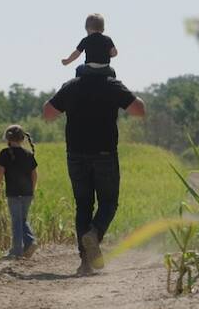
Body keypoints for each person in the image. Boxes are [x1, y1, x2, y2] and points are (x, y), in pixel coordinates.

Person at [43, 71, 146, 276]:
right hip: (104, 154)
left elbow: (48, 113)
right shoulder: (111, 85)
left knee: (83, 205)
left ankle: (85, 264)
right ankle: (95, 232)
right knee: (108, 202)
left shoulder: (71, 86)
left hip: (75, 154)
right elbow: (139, 110)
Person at [0, 125, 38, 260]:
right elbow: (34, 174)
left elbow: (0, 171)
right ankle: (28, 244)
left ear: (7, 138)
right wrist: (33, 189)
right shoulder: (28, 154)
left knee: (16, 220)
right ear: (23, 138)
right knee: (22, 219)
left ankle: (19, 249)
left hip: (13, 193)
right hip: (27, 193)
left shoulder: (5, 153)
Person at [61, 13, 118, 78]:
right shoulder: (107, 39)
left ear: (87, 29)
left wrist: (67, 61)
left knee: (79, 69)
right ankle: (113, 84)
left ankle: (79, 86)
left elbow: (76, 53)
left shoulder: (85, 40)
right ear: (103, 29)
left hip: (90, 68)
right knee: (112, 71)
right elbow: (114, 53)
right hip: (105, 68)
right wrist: (106, 55)